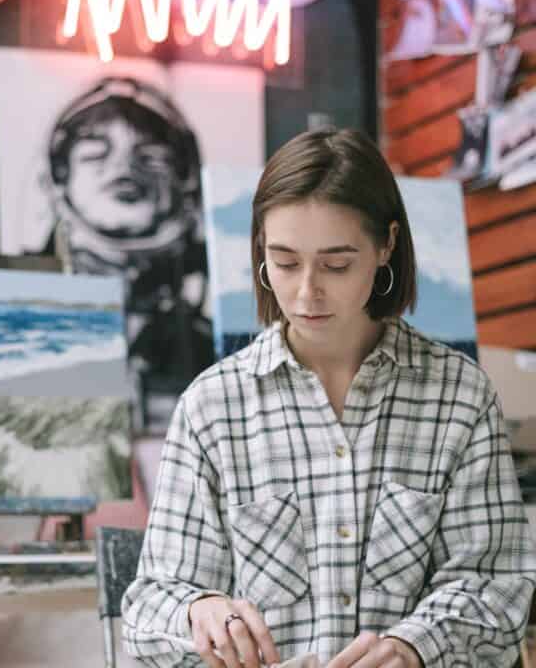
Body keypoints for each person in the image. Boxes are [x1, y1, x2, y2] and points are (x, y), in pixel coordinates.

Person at [121, 128, 536, 667]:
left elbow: (498, 586)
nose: (305, 292)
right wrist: (198, 609)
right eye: (285, 262)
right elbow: (149, 609)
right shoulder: (213, 407)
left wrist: (415, 649)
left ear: (386, 245)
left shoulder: (458, 395)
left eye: (336, 264)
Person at [46, 76, 213, 430]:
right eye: (95, 152)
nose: (124, 168)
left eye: (150, 155)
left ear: (185, 181)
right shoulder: (28, 323)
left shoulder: (207, 349)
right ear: (60, 179)